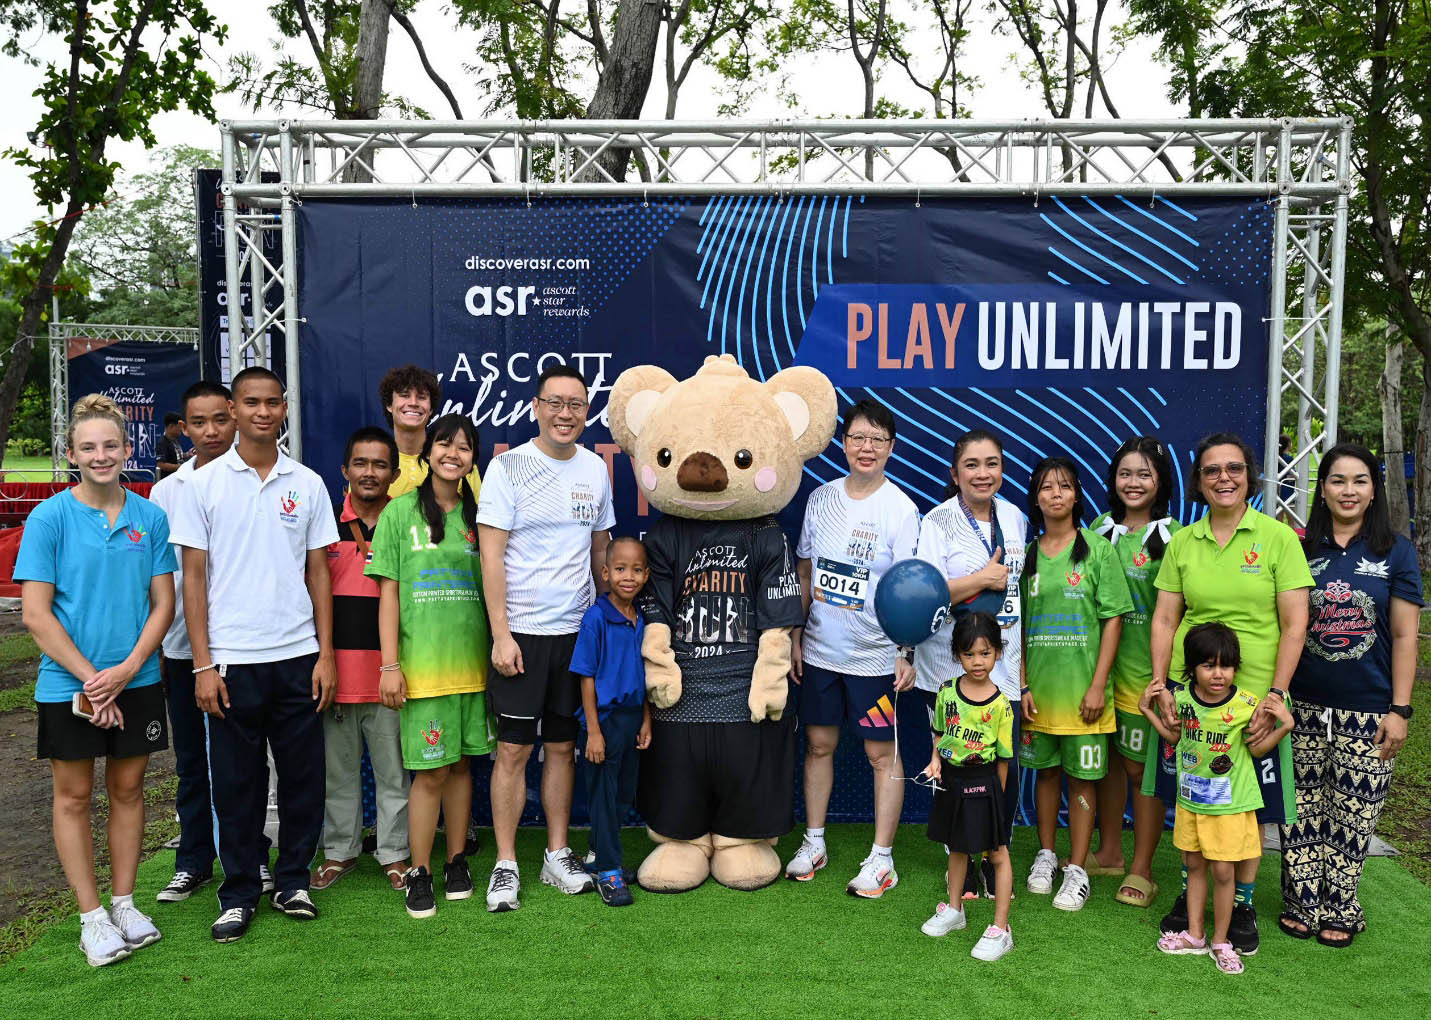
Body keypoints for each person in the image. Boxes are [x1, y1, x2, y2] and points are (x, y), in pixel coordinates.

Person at [170, 366, 339, 943]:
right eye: (251, 403)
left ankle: (292, 881)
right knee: (236, 786)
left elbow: (320, 573)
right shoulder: (202, 485)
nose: (262, 412)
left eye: (272, 402)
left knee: (303, 781)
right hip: (230, 661)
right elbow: (194, 580)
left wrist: (325, 654)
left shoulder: (307, 482)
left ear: (284, 408)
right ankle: (239, 892)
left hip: (298, 656)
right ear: (234, 410)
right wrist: (202, 664)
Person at [16, 394, 176, 966]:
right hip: (69, 686)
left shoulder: (150, 517)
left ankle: (125, 905)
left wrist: (126, 671)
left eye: (110, 445)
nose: (101, 455)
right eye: (89, 447)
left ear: (127, 449)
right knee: (75, 796)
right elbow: (36, 615)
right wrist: (91, 681)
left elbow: (163, 604)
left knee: (129, 790)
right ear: (72, 455)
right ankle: (91, 918)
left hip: (138, 680)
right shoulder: (49, 518)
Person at [1148, 431, 1310, 955]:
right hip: (1191, 695)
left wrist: (1276, 695)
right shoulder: (1183, 542)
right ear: (1198, 480)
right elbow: (1165, 618)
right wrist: (1162, 684)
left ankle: (1240, 905)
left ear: (1250, 475)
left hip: (1255, 699)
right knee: (1195, 796)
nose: (1224, 478)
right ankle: (1191, 895)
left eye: (1234, 468)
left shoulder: (1277, 538)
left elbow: (1295, 625)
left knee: (1248, 808)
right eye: (1212, 470)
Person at [476, 363, 614, 911]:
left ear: (587, 411)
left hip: (575, 633)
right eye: (555, 403)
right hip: (522, 634)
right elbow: (490, 555)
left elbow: (600, 550)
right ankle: (506, 863)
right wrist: (501, 634)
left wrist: (604, 623)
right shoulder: (508, 466)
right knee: (513, 749)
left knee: (561, 747)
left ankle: (557, 853)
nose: (565, 413)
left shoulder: (595, 469)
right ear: (536, 407)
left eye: (575, 404)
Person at [1278, 443, 1423, 947]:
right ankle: (1301, 902)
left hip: (1369, 709)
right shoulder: (1300, 548)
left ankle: (1341, 907)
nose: (1348, 491)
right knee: (1301, 809)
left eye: (1359, 480)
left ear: (1374, 489)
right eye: (1337, 480)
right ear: (1322, 489)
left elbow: (1405, 636)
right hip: (1302, 706)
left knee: (1354, 813)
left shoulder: (1395, 551)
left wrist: (1400, 709)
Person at [785, 399, 920, 896]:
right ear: (843, 443)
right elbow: (804, 572)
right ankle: (814, 842)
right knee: (819, 746)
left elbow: (911, 589)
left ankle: (882, 858)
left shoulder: (901, 509)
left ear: (890, 448)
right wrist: (797, 634)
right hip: (821, 653)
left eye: (877, 440)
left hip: (876, 660)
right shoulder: (820, 499)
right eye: (858, 437)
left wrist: (906, 652)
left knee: (882, 755)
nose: (867, 447)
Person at [368, 414, 493, 919]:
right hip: (422, 670)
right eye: (445, 444)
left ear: (473, 459)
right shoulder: (398, 514)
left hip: (474, 667)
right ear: (428, 452)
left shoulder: (481, 515)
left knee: (462, 765)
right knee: (432, 771)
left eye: (464, 447)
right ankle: (418, 871)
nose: (453, 454)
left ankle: (456, 861)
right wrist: (390, 665)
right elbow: (388, 596)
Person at [1140, 623, 1292, 975]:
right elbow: (1175, 740)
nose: (1218, 674)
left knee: (1224, 872)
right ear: (1192, 668)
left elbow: (1257, 749)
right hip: (1191, 803)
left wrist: (1285, 726)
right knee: (1194, 866)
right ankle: (1195, 935)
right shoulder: (1182, 701)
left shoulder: (1246, 705)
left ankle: (1221, 941)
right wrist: (1147, 710)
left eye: (1226, 666)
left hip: (1230, 808)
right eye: (1208, 666)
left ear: (1236, 668)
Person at [914, 429, 1027, 897]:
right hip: (949, 671)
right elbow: (924, 594)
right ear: (955, 473)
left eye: (992, 463)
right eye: (972, 465)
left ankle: (994, 853)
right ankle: (959, 859)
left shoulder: (1015, 517)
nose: (983, 473)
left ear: (1002, 469)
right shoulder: (938, 521)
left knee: (1002, 767)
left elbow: (1019, 596)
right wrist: (981, 578)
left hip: (1004, 669)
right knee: (956, 768)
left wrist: (1024, 673)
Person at [1019, 456, 1131, 911]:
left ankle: (1078, 868)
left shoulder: (1098, 551)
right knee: (1046, 774)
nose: (1056, 494)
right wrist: (1023, 684)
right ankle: (1046, 855)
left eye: (1064, 486)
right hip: (1039, 695)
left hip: (1085, 696)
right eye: (1047, 487)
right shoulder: (1027, 554)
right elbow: (1016, 624)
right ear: (1036, 497)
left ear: (1077, 494)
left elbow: (1113, 620)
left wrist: (1098, 685)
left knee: (1082, 782)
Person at [151, 381, 244, 903]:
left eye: (219, 420)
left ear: (234, 417)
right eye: (199, 423)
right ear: (184, 428)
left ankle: (250, 856)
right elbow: (164, 576)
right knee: (191, 760)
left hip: (242, 650)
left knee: (243, 765)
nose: (211, 431)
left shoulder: (255, 477)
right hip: (184, 648)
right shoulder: (168, 493)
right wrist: (163, 643)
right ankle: (193, 860)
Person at [311, 427, 412, 894]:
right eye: (361, 463)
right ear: (345, 470)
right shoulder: (323, 523)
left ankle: (395, 852)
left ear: (394, 473)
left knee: (393, 773)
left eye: (379, 464)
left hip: (390, 675)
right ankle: (340, 851)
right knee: (339, 774)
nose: (369, 472)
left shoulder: (406, 523)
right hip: (337, 675)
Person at [1088, 437, 1182, 907]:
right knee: (1106, 766)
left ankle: (1142, 868)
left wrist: (1164, 680)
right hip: (1098, 675)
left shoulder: (1174, 537)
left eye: (1145, 474)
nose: (1134, 482)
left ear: (1160, 482)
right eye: (1125, 473)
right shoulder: (1099, 529)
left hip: (1145, 677)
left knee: (1140, 770)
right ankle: (1108, 852)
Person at [919, 612, 1016, 962]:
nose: (977, 661)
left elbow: (1004, 759)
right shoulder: (946, 692)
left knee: (997, 854)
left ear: (998, 653)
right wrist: (935, 760)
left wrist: (998, 802)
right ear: (957, 654)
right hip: (952, 781)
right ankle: (954, 910)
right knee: (957, 847)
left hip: (985, 783)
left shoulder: (1002, 705)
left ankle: (1001, 928)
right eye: (969, 653)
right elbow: (940, 734)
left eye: (985, 653)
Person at [571, 536, 653, 907]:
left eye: (636, 570)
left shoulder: (641, 620)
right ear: (605, 572)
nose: (628, 577)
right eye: (620, 569)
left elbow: (644, 675)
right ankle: (608, 871)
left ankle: (595, 856)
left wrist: (646, 719)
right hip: (603, 721)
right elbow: (586, 677)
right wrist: (593, 732)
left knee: (622, 795)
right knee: (603, 798)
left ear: (646, 575)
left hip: (632, 719)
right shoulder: (596, 618)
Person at [379, 363, 482, 499]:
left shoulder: (458, 462)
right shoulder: (374, 462)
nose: (413, 403)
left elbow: (476, 511)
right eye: (404, 395)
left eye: (421, 397)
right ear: (389, 405)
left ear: (431, 409)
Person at [156, 413, 186, 478]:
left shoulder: (176, 440)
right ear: (171, 426)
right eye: (179, 427)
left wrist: (187, 454)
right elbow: (161, 465)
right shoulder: (162, 443)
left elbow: (174, 457)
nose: (181, 429)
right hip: (169, 480)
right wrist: (182, 467)